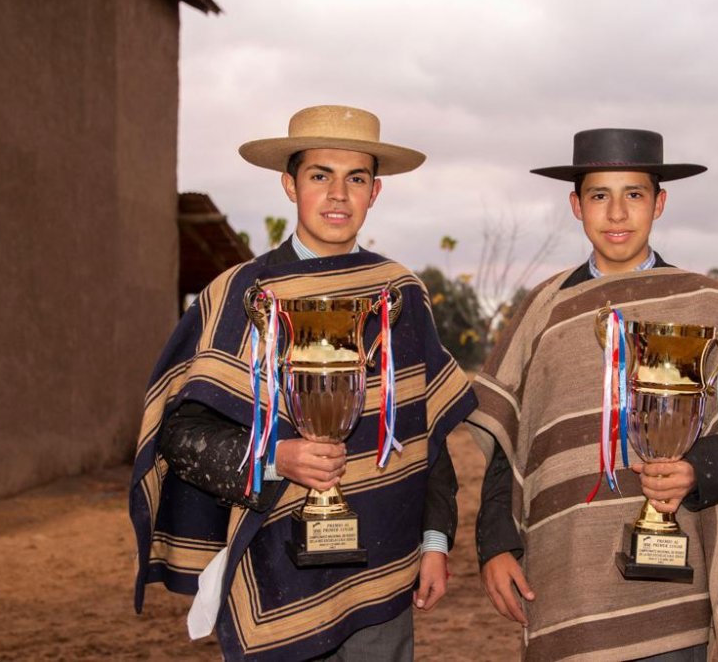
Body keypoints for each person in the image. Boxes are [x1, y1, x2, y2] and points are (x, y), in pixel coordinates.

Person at [129, 105, 477, 660]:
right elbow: (180, 434)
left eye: (355, 178)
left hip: (384, 571)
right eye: (321, 176)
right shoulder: (242, 293)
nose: (339, 194)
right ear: (290, 185)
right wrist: (275, 459)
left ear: (375, 192)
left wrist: (435, 540)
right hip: (274, 567)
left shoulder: (401, 294)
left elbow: (426, 431)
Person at [467, 128, 718, 661]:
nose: (617, 213)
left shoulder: (708, 304)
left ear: (660, 203)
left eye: (635, 195)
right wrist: (496, 543)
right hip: (565, 576)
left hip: (673, 586)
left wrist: (697, 470)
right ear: (576, 205)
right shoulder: (544, 310)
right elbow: (510, 436)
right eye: (600, 196)